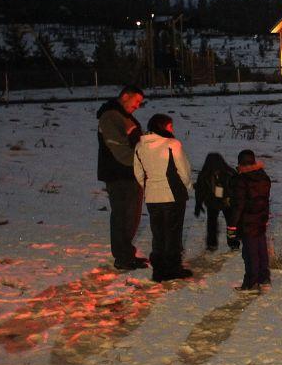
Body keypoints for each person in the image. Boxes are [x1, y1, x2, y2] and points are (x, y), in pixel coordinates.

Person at [133, 114, 193, 282]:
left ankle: (159, 270)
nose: (172, 130)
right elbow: (184, 170)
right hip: (173, 195)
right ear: (163, 127)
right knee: (173, 233)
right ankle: (173, 268)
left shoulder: (140, 146)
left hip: (152, 197)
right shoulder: (172, 145)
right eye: (170, 126)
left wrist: (148, 187)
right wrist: (188, 185)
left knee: (158, 233)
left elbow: (138, 173)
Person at [97, 85, 148, 270]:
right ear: (125, 96)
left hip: (130, 173)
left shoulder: (124, 116)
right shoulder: (110, 116)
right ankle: (122, 257)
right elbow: (118, 148)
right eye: (136, 102)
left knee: (131, 216)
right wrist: (142, 162)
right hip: (118, 174)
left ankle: (126, 253)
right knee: (122, 216)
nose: (137, 106)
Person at [232, 150, 272, 290]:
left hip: (247, 222)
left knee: (250, 253)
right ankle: (264, 278)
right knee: (261, 250)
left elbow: (238, 205)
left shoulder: (242, 180)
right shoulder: (263, 177)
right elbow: (265, 200)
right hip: (261, 219)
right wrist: (265, 218)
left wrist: (232, 225)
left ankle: (250, 283)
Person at [193, 153, 239, 252]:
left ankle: (233, 242)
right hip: (212, 202)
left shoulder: (229, 173)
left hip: (227, 202)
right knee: (212, 224)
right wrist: (198, 204)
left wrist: (235, 201)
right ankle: (212, 244)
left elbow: (237, 189)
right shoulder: (205, 175)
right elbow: (200, 190)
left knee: (231, 224)